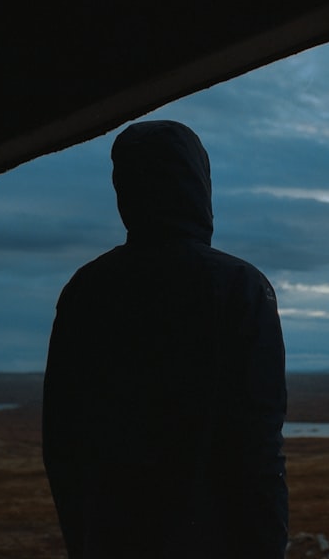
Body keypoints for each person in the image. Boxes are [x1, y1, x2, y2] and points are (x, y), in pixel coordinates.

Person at [42, 120, 289, 558]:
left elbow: (62, 441)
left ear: (125, 188)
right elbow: (256, 444)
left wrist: (83, 541)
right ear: (200, 184)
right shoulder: (239, 286)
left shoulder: (87, 288)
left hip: (113, 540)